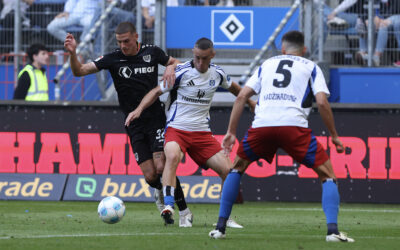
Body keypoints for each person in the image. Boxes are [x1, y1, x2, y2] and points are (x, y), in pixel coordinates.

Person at [209, 31, 354, 243]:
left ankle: (220, 228)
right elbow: (322, 103)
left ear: (282, 49)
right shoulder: (310, 66)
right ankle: (332, 232)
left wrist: (231, 132)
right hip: (293, 126)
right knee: (328, 175)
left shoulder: (266, 64)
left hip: (263, 125)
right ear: (304, 50)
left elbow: (241, 96)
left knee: (237, 169)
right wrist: (334, 136)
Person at [64, 22, 191, 226]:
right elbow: (79, 71)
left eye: (126, 41)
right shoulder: (113, 58)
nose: (123, 45)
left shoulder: (152, 52)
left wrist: (170, 67)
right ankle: (159, 192)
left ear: (136, 36)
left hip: (155, 118)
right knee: (150, 176)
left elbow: (176, 62)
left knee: (161, 165)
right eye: (119, 42)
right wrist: (73, 53)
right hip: (133, 122)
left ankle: (183, 211)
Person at [125, 37, 255, 227]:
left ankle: (224, 219)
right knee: (172, 156)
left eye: (204, 58)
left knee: (229, 172)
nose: (200, 63)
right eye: (196, 58)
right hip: (177, 129)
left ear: (212, 55)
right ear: (193, 54)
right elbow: (155, 92)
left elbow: (235, 88)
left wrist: (251, 102)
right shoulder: (182, 72)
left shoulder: (217, 74)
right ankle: (168, 206)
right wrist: (138, 110)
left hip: (202, 133)